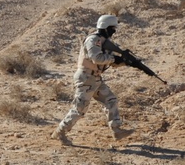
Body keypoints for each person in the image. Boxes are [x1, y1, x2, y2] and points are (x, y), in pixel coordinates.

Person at [51, 15, 134, 144]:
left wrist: (125, 61)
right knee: (80, 109)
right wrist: (114, 59)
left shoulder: (105, 43)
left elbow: (111, 62)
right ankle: (60, 132)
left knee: (111, 100)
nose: (114, 31)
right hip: (86, 78)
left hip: (94, 78)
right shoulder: (93, 40)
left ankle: (117, 130)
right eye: (112, 28)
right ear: (106, 28)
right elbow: (97, 58)